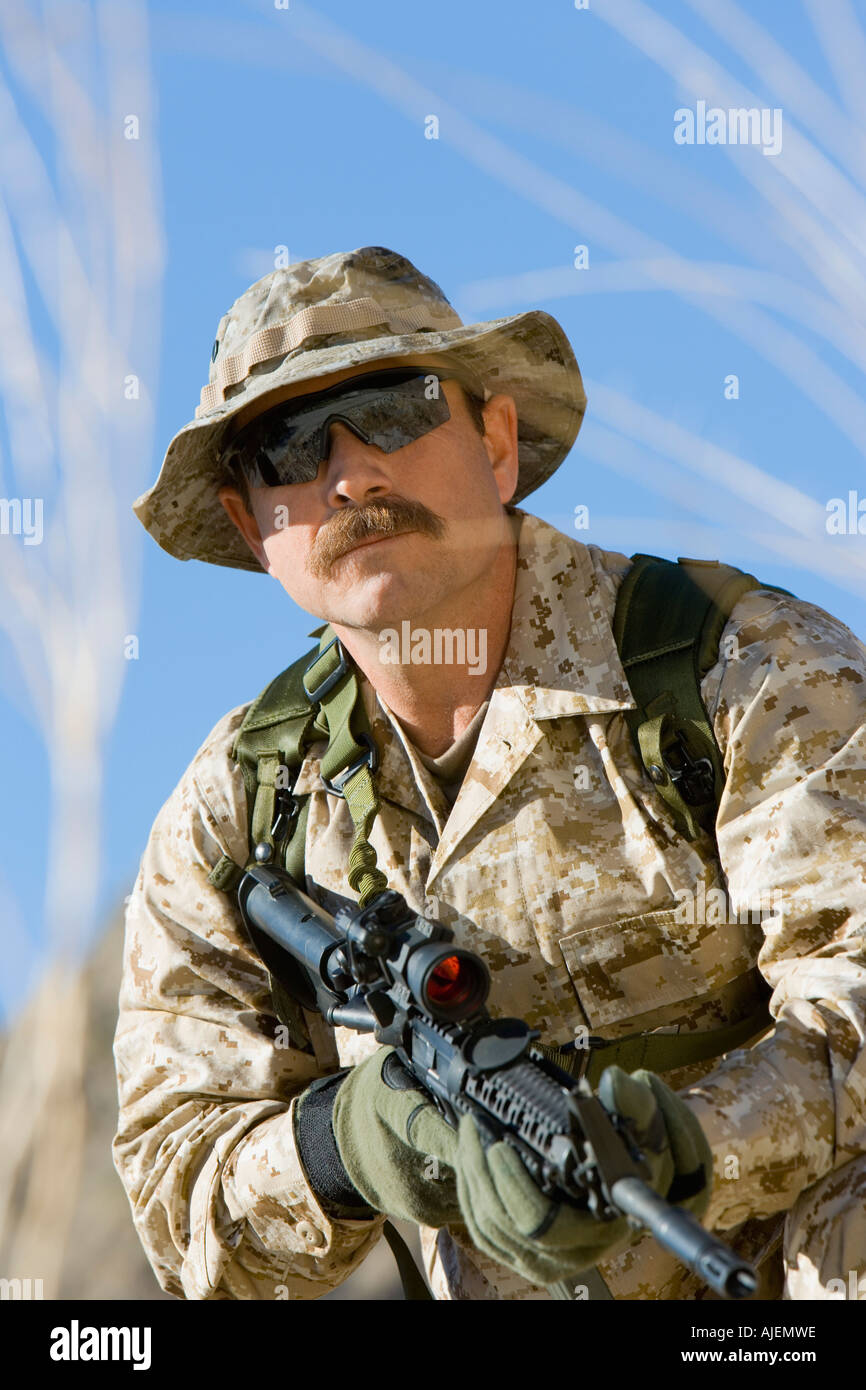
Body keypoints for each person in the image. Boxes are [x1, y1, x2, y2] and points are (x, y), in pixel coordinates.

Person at [113, 245, 866, 1301]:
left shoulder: (737, 668)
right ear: (252, 523)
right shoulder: (241, 807)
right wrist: (349, 1146)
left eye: (394, 408)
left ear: (495, 441)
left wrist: (677, 1146)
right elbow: (176, 1197)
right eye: (288, 446)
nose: (351, 474)